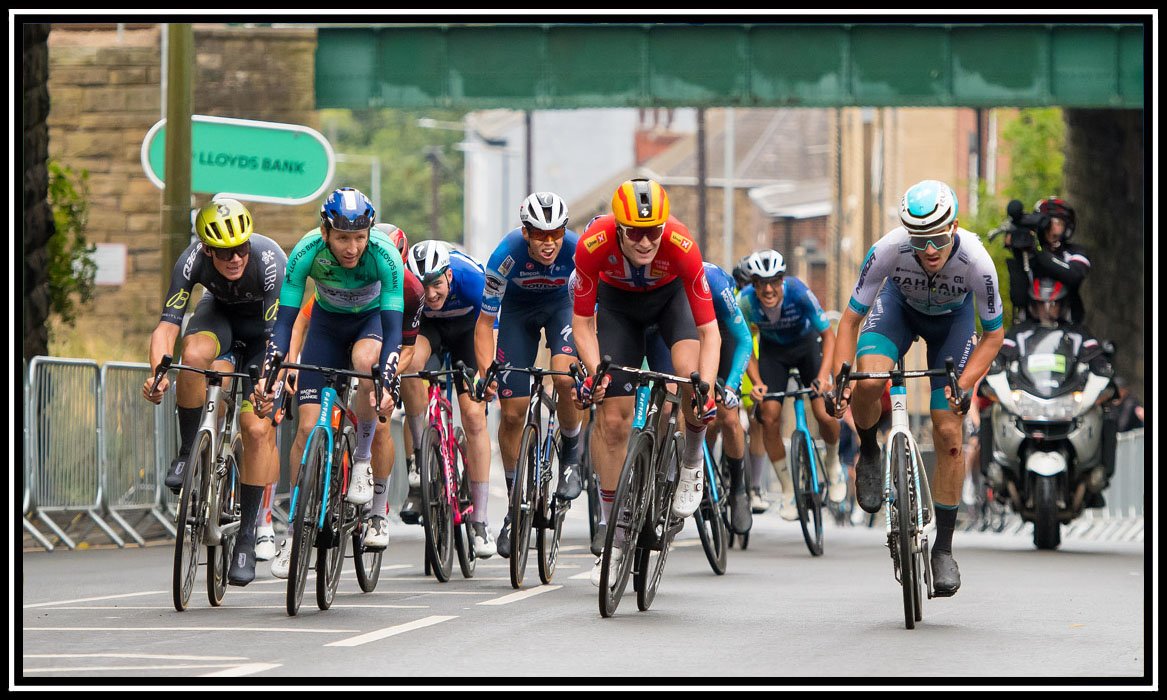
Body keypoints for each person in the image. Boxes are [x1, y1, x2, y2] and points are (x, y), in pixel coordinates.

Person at [829, 179, 1005, 598]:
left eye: (940, 238)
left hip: (952, 323)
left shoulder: (978, 262)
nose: (929, 250)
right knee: (869, 380)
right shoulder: (888, 250)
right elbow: (850, 320)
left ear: (956, 227)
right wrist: (842, 377)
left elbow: (993, 336)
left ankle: (942, 550)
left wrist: (963, 386)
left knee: (948, 432)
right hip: (899, 311)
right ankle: (870, 448)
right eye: (920, 239)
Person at [569, 177, 720, 586]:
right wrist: (596, 371)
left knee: (690, 379)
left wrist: (705, 390)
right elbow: (582, 324)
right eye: (634, 232)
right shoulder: (593, 245)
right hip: (618, 309)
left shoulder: (681, 244)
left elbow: (710, 333)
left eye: (653, 231)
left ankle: (691, 460)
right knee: (613, 419)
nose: (645, 241)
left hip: (671, 306)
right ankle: (614, 530)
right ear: (618, 228)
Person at [253, 187, 405, 579]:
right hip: (326, 325)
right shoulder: (306, 251)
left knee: (366, 363)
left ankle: (363, 461)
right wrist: (272, 372)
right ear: (325, 232)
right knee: (306, 427)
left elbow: (392, 331)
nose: (352, 248)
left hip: (370, 324)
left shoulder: (384, 254)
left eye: (359, 238)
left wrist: (387, 383)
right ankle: (291, 535)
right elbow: (285, 322)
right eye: (342, 238)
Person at [142, 197, 285, 586]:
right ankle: (191, 451)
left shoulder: (270, 260)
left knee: (257, 428)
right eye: (223, 253)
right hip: (218, 318)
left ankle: (247, 535)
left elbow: (279, 340)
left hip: (264, 337)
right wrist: (158, 372)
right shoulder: (191, 260)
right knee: (193, 354)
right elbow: (167, 327)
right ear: (207, 250)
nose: (235, 258)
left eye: (240, 248)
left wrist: (268, 384)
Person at [282, 222, 424, 550]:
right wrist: (289, 363)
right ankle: (301, 512)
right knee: (310, 425)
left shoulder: (410, 290)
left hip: (382, 350)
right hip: (333, 335)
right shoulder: (338, 279)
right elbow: (302, 319)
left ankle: (376, 512)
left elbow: (407, 350)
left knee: (380, 420)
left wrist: (385, 380)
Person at [474, 192, 585, 559]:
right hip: (517, 314)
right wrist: (485, 369)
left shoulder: (577, 251)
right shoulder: (505, 256)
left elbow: (590, 312)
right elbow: (486, 321)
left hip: (562, 309)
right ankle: (515, 504)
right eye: (540, 234)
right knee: (511, 411)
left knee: (567, 379)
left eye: (556, 233)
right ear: (526, 232)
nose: (550, 243)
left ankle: (570, 452)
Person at [643, 261, 754, 534]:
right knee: (670, 405)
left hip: (718, 334)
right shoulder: (653, 279)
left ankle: (739, 490)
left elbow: (744, 340)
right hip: (676, 333)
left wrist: (730, 386)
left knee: (727, 415)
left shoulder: (713, 280)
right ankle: (668, 474)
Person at [404, 239, 497, 557]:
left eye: (437, 284)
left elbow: (491, 329)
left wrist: (487, 375)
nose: (430, 295)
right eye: (423, 287)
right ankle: (419, 460)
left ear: (449, 276)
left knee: (473, 415)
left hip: (468, 334)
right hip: (428, 331)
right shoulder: (407, 287)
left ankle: (481, 522)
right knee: (411, 369)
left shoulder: (472, 278)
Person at [738, 249, 845, 520]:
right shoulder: (746, 302)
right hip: (773, 353)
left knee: (824, 411)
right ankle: (788, 490)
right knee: (769, 416)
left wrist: (823, 376)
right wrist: (757, 382)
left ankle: (833, 465)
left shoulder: (798, 291)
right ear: (754, 284)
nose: (769, 289)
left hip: (807, 346)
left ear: (783, 280)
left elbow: (828, 336)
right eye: (762, 283)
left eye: (775, 281)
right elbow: (745, 343)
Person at [1005, 197, 1091, 325]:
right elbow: (1018, 297)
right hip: (1030, 327)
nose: (1052, 228)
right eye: (1047, 223)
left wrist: (1038, 254)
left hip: (1069, 327)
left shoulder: (1075, 252)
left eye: (1057, 222)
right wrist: (1018, 252)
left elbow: (1075, 274)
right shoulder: (1028, 253)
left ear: (1067, 226)